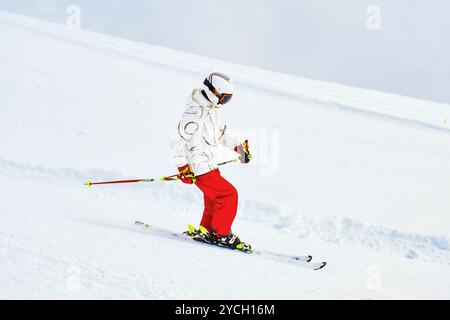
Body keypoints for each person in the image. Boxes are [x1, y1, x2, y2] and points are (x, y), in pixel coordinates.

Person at [170, 72, 252, 252]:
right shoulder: (194, 113)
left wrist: (238, 148)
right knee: (229, 195)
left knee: (214, 199)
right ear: (215, 92)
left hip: (209, 164)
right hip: (198, 168)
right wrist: (183, 168)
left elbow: (221, 133)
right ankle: (221, 234)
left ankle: (208, 230)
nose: (224, 102)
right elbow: (177, 142)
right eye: (225, 98)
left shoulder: (211, 111)